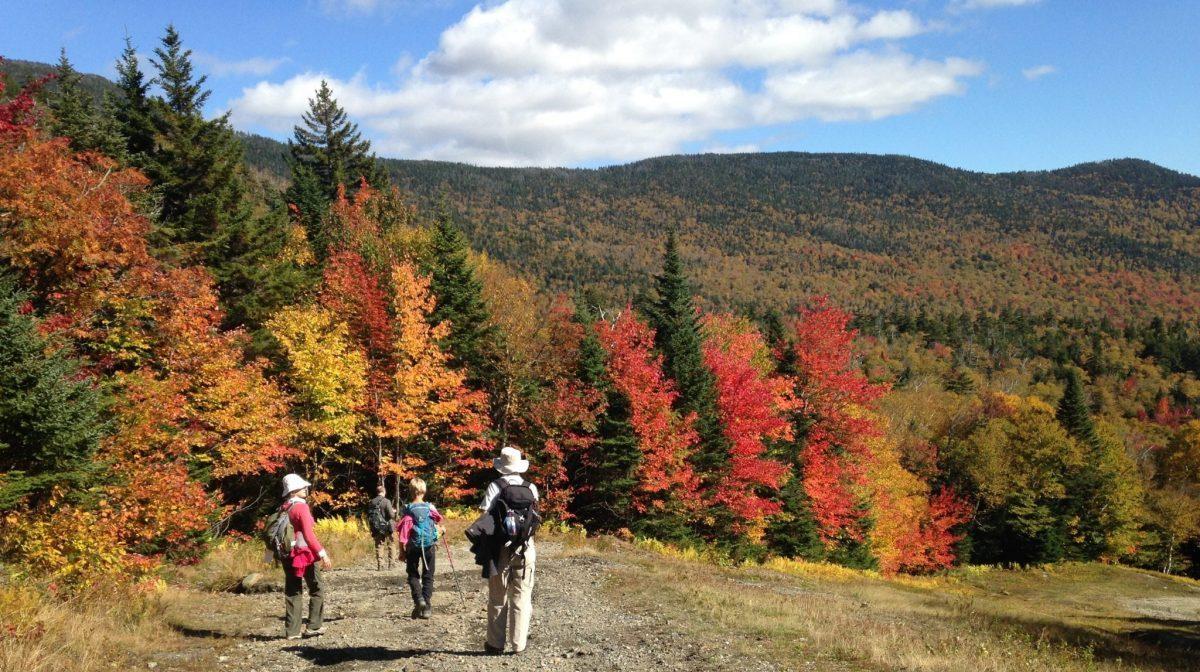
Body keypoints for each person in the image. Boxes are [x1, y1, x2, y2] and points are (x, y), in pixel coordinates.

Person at [479, 446, 540, 655]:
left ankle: (495, 644)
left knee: (498, 597)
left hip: (500, 550)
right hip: (525, 547)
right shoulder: (531, 488)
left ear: (501, 467)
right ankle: (518, 645)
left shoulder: (495, 487)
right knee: (522, 596)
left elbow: (483, 518)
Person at [279, 473, 332, 640]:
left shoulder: (284, 507)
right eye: (302, 487)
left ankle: (292, 632)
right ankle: (314, 626)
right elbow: (309, 535)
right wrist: (322, 553)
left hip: (288, 554)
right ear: (293, 491)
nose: (306, 489)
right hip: (305, 554)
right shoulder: (301, 507)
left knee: (293, 591)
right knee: (316, 589)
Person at [398, 477, 445, 619]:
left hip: (412, 546)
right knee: (428, 576)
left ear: (411, 492)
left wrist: (401, 551)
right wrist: (442, 530)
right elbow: (438, 522)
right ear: (424, 491)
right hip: (429, 545)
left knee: (412, 575)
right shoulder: (430, 508)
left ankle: (419, 600)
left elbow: (402, 533)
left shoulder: (407, 509)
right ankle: (427, 608)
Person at [367, 484, 397, 571]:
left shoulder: (372, 502)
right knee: (391, 544)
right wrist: (393, 511)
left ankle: (380, 565)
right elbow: (391, 515)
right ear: (384, 492)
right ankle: (391, 564)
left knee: (379, 545)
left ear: (377, 492)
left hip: (376, 527)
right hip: (387, 526)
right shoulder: (386, 501)